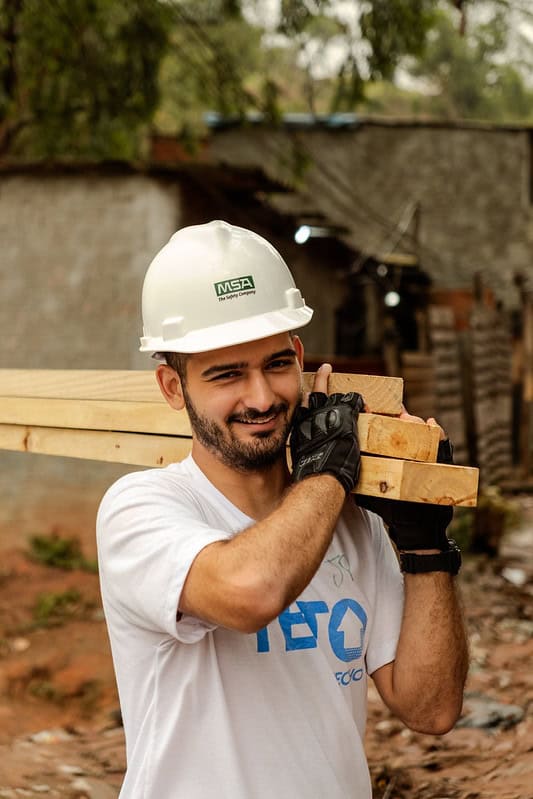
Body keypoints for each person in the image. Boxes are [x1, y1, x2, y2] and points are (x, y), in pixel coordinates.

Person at [96, 220, 469, 799]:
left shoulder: (350, 519)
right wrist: (326, 475)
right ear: (173, 387)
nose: (262, 397)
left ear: (299, 355)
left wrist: (425, 549)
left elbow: (432, 708)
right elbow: (252, 593)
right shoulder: (141, 509)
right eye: (227, 375)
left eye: (274, 364)